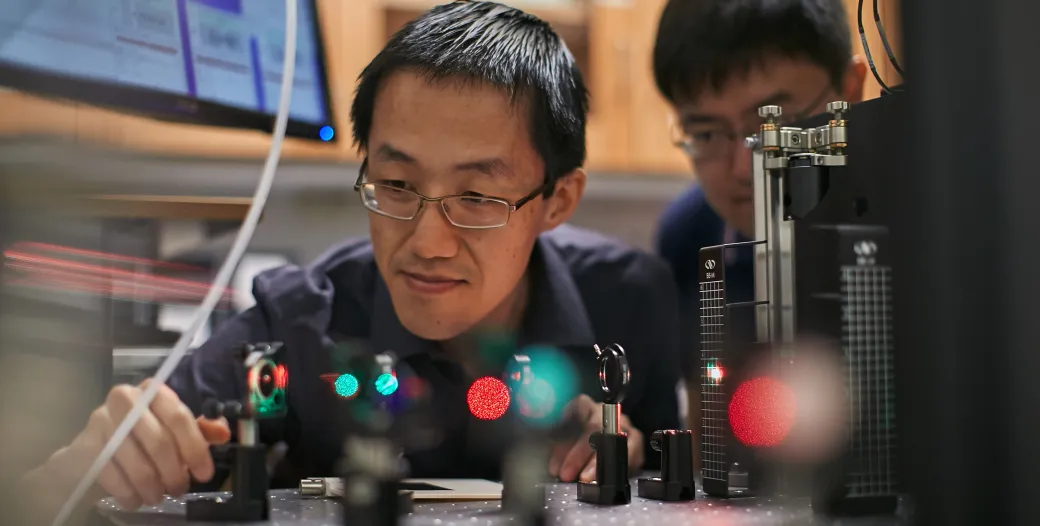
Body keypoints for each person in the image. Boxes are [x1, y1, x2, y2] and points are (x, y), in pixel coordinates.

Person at [21, 1, 682, 517]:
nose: (426, 242)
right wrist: (100, 460)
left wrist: (633, 454)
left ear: (556, 200)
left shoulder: (630, 301)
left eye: (477, 196)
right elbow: (63, 490)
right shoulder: (300, 326)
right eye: (396, 185)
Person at [651, 0, 866, 440]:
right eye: (706, 134)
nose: (740, 167)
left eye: (775, 124)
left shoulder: (927, 227)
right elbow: (706, 432)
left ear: (850, 89)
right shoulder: (689, 237)